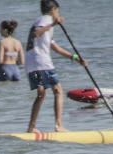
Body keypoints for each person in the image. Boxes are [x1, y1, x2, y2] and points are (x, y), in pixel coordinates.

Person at [25, 0, 86, 132]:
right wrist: (53, 23)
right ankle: (59, 125)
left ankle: (31, 127)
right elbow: (37, 33)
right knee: (58, 91)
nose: (58, 14)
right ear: (53, 10)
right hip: (41, 61)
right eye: (57, 11)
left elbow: (55, 47)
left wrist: (75, 58)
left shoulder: (41, 21)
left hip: (31, 64)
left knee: (41, 95)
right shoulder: (46, 20)